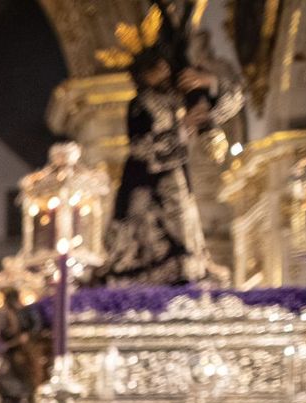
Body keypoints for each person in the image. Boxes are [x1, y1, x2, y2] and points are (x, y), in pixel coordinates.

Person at [97, 38, 240, 286]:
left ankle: (188, 270)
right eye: (154, 68)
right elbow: (140, 147)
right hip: (144, 181)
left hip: (176, 178)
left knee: (183, 224)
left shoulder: (179, 97)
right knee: (149, 235)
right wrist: (182, 130)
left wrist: (210, 82)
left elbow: (229, 104)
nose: (162, 72)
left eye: (163, 66)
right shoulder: (141, 105)